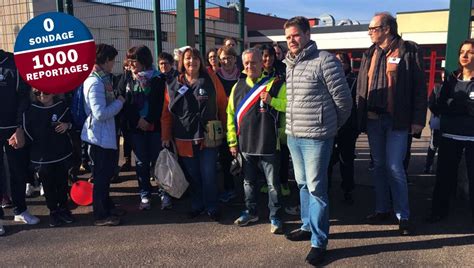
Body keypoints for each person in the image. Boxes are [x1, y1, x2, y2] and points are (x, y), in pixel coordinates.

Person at [283, 17, 352, 265]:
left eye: (296, 35)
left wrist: (330, 127)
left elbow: (344, 102)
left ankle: (319, 241)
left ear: (307, 34)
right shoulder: (289, 64)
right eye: (288, 36)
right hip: (294, 135)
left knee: (316, 190)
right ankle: (306, 225)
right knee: (302, 185)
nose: (291, 40)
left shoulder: (324, 61)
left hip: (317, 137)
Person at [356, 12, 427, 235]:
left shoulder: (408, 50)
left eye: (373, 28)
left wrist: (417, 120)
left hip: (397, 120)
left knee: (394, 166)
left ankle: (403, 215)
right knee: (377, 165)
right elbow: (362, 86)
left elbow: (419, 88)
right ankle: (382, 209)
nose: (369, 32)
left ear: (387, 29)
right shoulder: (369, 54)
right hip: (373, 120)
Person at [161, 47, 227, 221]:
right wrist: (166, 136)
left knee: (209, 175)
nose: (192, 61)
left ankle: (212, 207)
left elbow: (222, 104)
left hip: (209, 137)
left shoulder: (211, 79)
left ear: (201, 61)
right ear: (182, 62)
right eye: (188, 58)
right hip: (184, 139)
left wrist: (227, 129)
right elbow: (166, 113)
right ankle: (197, 205)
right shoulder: (173, 83)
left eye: (196, 58)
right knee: (194, 176)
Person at [227, 47, 286, 234]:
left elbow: (287, 106)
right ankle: (251, 211)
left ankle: (275, 216)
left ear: (262, 63)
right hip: (245, 144)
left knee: (273, 185)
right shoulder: (237, 86)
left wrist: (272, 101)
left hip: (268, 142)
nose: (250, 66)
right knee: (248, 183)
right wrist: (232, 142)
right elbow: (230, 116)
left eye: (254, 62)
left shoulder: (275, 84)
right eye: (246, 63)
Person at [427, 39, 474, 224]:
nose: (464, 55)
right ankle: (438, 212)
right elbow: (440, 104)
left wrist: (455, 105)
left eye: (470, 52)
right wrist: (465, 106)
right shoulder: (451, 78)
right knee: (444, 177)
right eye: (462, 51)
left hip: (472, 137)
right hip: (450, 135)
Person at [119, 45, 169, 211]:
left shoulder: (158, 79)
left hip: (154, 127)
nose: (132, 64)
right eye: (130, 60)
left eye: (135, 60)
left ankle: (164, 192)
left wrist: (148, 120)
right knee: (141, 162)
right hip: (136, 128)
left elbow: (160, 103)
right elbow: (124, 102)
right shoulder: (128, 78)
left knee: (158, 161)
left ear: (144, 60)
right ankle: (145, 194)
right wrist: (138, 120)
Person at [81, 44, 125, 226]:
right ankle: (100, 214)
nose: (113, 64)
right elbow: (99, 113)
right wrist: (119, 103)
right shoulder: (95, 82)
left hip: (103, 135)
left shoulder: (101, 79)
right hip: (98, 137)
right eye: (112, 60)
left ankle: (107, 207)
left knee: (105, 175)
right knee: (101, 177)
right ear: (106, 60)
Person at [0, 49, 39, 236]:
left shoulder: (13, 62)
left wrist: (19, 127)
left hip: (12, 128)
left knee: (18, 170)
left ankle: (20, 210)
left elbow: (24, 97)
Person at [23, 89, 75, 227]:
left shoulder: (62, 106)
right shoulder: (31, 110)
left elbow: (72, 122)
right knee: (48, 185)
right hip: (42, 156)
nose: (41, 95)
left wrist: (67, 125)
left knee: (62, 183)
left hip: (60, 152)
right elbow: (27, 131)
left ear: (53, 92)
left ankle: (64, 208)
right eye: (37, 93)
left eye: (45, 92)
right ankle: (53, 211)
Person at [327, 52, 359, 204]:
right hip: (330, 127)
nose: (339, 65)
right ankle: (325, 189)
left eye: (342, 62)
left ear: (347, 64)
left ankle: (348, 190)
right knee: (327, 161)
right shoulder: (327, 79)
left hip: (348, 128)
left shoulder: (354, 81)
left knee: (346, 161)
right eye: (336, 62)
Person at [260, 44, 290, 197]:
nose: (268, 59)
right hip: (262, 124)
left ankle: (284, 182)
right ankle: (266, 181)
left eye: (270, 56)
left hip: (280, 124)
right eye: (265, 55)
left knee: (283, 156)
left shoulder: (282, 73)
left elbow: (288, 103)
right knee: (266, 156)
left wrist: (272, 101)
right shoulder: (254, 75)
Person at [215, 45, 240, 202]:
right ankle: (229, 188)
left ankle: (248, 190)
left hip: (241, 123)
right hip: (222, 122)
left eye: (229, 58)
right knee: (225, 157)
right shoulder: (214, 76)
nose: (226, 61)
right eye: (223, 58)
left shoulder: (242, 76)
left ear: (235, 59)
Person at [424, 70, 445, 174]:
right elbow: (430, 103)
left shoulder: (437, 88)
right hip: (438, 121)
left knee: (435, 145)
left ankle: (430, 166)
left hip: (438, 120)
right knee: (434, 145)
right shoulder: (437, 88)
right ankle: (429, 165)